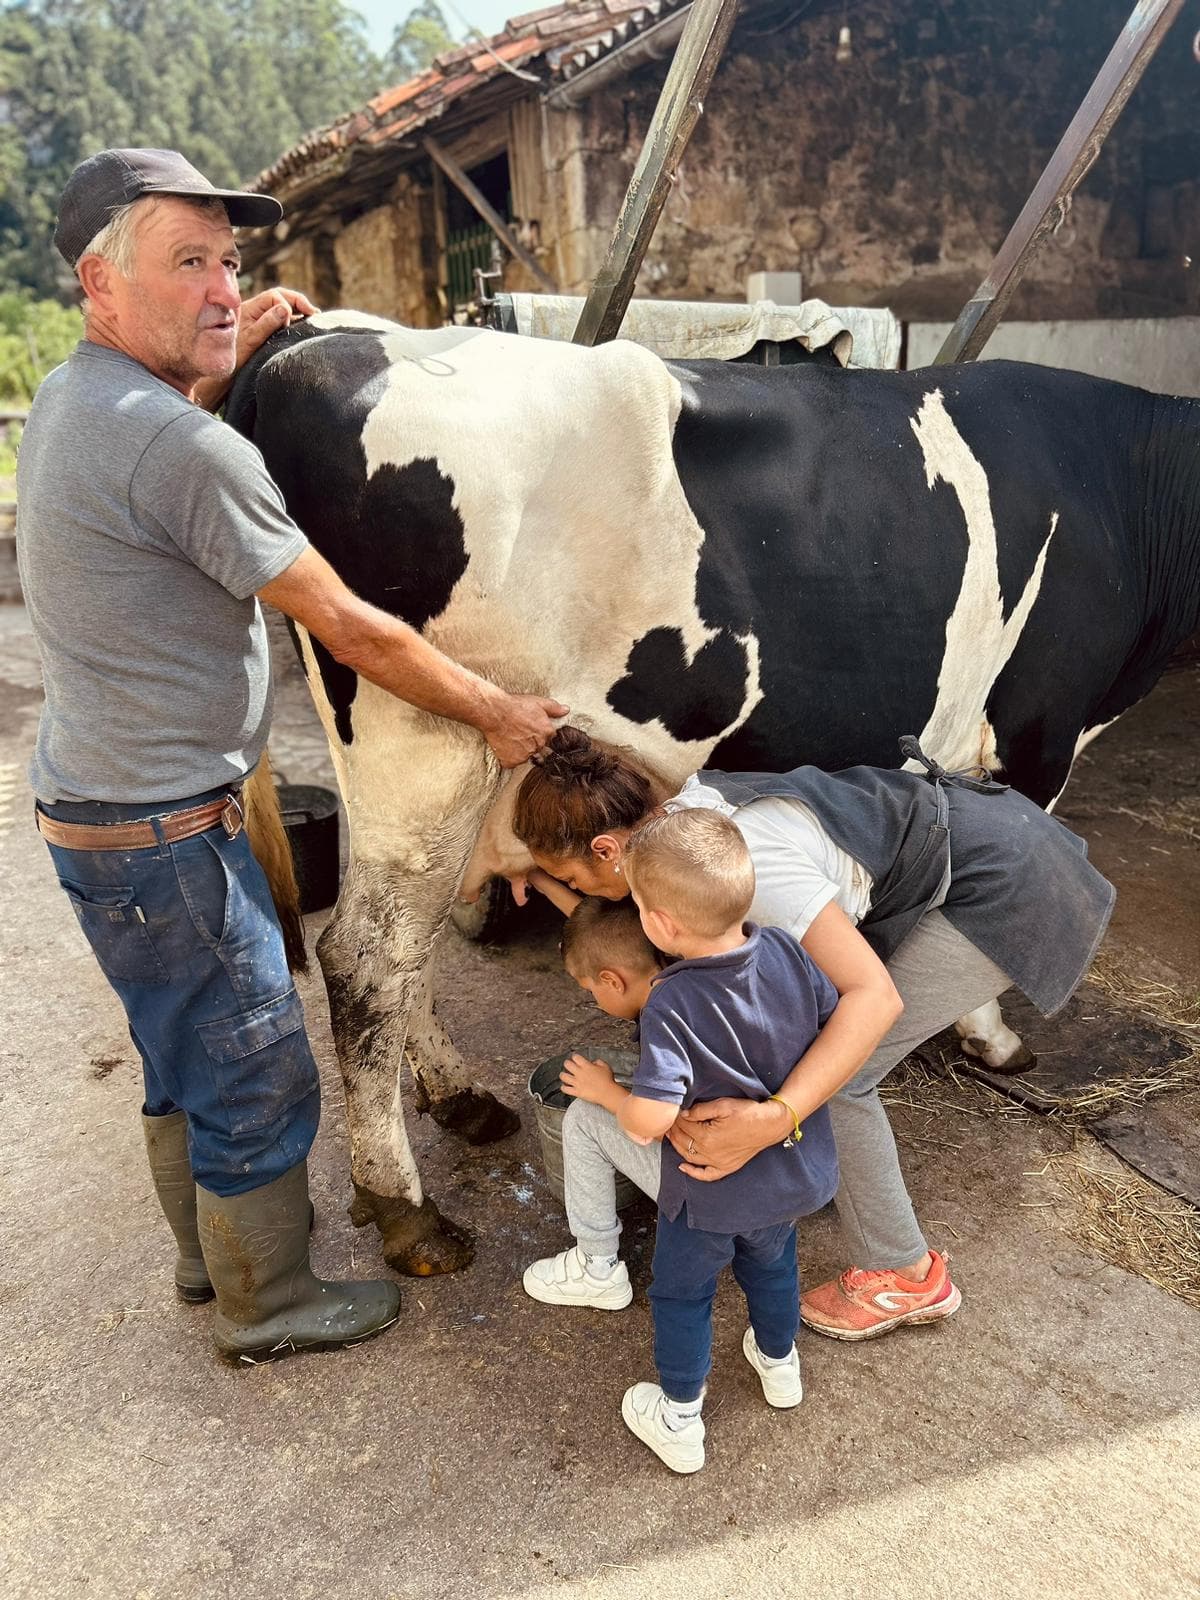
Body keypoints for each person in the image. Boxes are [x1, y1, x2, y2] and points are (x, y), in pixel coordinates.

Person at [16, 147, 567, 1363]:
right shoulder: (182, 450)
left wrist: (222, 355)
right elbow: (354, 628)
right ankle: (266, 1305)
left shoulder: (74, 399)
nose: (224, 290)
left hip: (90, 815)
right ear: (99, 285)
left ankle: (207, 1262)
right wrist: (495, 711)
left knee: (177, 1051)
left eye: (229, 263)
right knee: (255, 1066)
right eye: (188, 265)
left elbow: (162, 458)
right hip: (171, 833)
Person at [509, 726, 1115, 1343]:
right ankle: (810, 1168)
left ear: (608, 849)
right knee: (817, 1056)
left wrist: (776, 1119)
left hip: (1004, 885)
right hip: (977, 844)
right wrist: (546, 882)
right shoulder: (685, 841)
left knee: (842, 1076)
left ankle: (906, 1274)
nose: (582, 894)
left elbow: (874, 998)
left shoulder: (758, 872)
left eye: (576, 880)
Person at [527, 810, 842, 1474]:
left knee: (682, 1295)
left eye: (639, 904)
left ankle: (678, 1418)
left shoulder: (673, 1002)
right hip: (790, 1174)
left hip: (709, 1190)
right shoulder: (785, 949)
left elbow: (647, 1122)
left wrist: (607, 1091)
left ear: (662, 924)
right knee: (773, 1268)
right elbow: (828, 1024)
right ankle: (780, 1365)